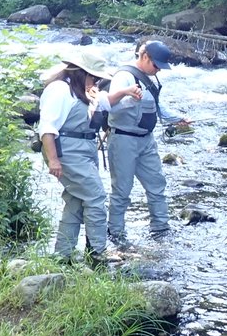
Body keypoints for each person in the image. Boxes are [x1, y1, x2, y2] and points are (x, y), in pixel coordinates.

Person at [37, 46, 133, 268]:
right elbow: (47, 129)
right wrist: (53, 160)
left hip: (83, 151)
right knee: (96, 197)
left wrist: (126, 93)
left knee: (76, 202)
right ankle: (97, 252)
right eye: (95, 78)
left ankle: (62, 255)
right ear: (82, 73)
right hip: (67, 152)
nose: (97, 83)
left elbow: (106, 102)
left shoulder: (82, 90)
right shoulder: (60, 89)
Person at [106, 39, 187, 245]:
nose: (158, 69)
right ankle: (116, 234)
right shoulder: (124, 76)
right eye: (156, 64)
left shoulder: (151, 78)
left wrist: (178, 118)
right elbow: (108, 107)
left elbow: (158, 108)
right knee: (122, 190)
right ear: (144, 56)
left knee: (157, 184)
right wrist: (129, 98)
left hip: (147, 141)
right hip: (123, 139)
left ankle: (161, 229)